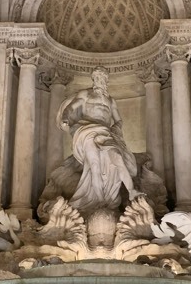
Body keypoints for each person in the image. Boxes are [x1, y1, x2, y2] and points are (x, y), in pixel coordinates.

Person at [57, 67, 139, 214]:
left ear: (106, 81)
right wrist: (65, 119)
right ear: (93, 79)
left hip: (106, 133)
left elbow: (118, 120)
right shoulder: (85, 94)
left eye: (103, 78)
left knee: (117, 158)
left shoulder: (110, 100)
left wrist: (117, 129)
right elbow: (70, 108)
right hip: (87, 131)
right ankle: (101, 204)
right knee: (94, 165)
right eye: (98, 78)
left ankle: (131, 190)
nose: (101, 81)